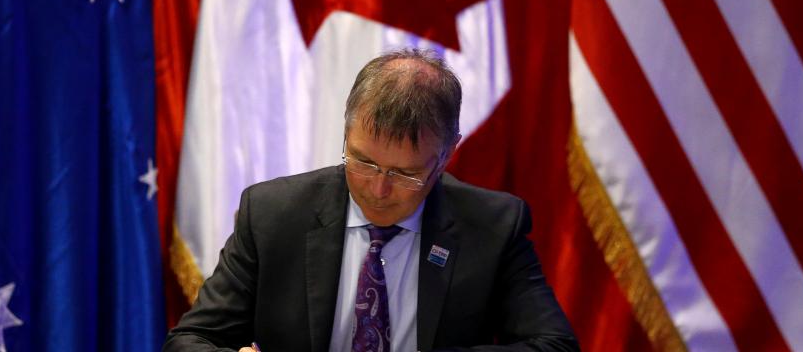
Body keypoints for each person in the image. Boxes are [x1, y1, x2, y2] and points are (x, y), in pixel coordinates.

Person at [164, 49, 579, 352]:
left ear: (447, 153)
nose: (378, 190)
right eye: (362, 161)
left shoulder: (492, 225)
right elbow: (190, 340)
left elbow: (555, 346)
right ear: (345, 134)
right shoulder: (274, 214)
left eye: (405, 173)